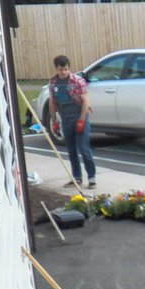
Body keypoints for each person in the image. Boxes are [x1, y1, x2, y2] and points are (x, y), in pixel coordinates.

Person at [47, 54, 97, 189]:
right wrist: (54, 121)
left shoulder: (77, 81)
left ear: (69, 68)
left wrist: (81, 121)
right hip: (65, 119)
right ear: (56, 69)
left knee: (84, 149)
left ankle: (91, 177)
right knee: (71, 150)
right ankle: (77, 178)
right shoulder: (53, 83)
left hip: (80, 117)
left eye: (65, 69)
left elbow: (85, 101)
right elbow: (52, 102)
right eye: (60, 69)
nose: (63, 72)